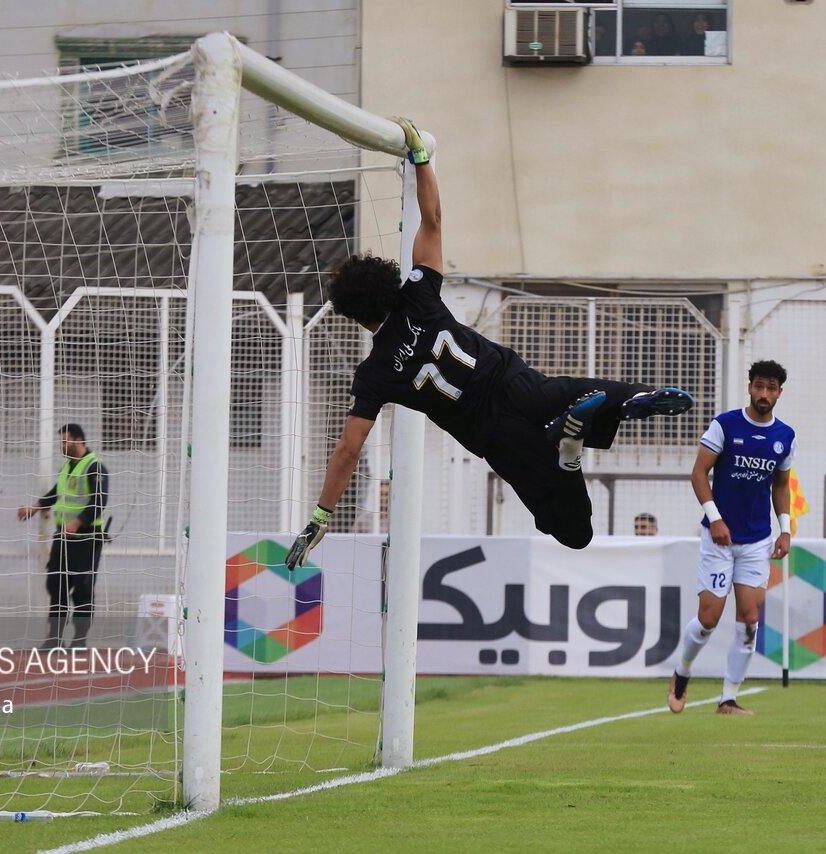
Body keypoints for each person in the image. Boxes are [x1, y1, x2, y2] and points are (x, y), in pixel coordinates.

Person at [285, 119, 694, 571]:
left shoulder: (375, 374)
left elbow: (348, 449)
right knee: (596, 392)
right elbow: (433, 220)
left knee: (574, 532)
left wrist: (321, 515)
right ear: (388, 284)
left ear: (355, 316)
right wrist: (420, 159)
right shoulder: (418, 295)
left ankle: (570, 453)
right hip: (518, 382)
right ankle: (630, 399)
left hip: (495, 433)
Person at [667, 360, 796, 716]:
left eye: (771, 388)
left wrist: (785, 529)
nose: (764, 394)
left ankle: (728, 698)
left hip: (757, 541)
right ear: (749, 387)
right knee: (708, 618)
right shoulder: (726, 425)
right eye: (758, 386)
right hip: (719, 538)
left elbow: (781, 485)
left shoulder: (785, 436)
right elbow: (698, 474)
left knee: (749, 618)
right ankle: (682, 672)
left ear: (779, 393)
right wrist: (716, 519)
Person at [18, 423, 110, 650]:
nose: (62, 445)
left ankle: (79, 640)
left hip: (87, 539)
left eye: (65, 441)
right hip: (63, 539)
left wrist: (77, 523)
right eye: (61, 441)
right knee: (55, 585)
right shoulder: (67, 467)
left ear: (79, 440)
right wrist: (35, 507)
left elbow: (99, 501)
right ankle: (54, 637)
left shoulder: (94, 467)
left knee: (83, 590)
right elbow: (56, 493)